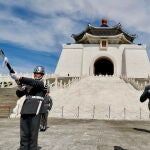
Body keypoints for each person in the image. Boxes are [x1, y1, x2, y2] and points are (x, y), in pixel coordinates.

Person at [10, 66, 47, 150]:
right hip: (25, 109)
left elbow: (34, 83)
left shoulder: (43, 83)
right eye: (36, 73)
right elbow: (19, 95)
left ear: (42, 75)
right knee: (24, 132)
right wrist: (20, 88)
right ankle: (23, 148)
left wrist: (19, 78)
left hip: (35, 110)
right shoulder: (29, 85)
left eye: (39, 74)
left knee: (33, 133)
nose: (37, 75)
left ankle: (33, 148)